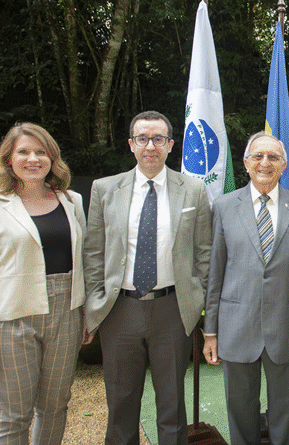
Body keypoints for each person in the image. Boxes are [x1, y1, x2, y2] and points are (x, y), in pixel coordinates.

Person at [83, 110, 211, 445]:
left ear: (170, 144)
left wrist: (200, 302)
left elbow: (204, 252)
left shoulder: (193, 190)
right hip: (119, 311)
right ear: (131, 144)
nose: (150, 146)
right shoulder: (104, 189)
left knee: (172, 403)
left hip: (172, 310)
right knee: (121, 402)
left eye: (158, 139)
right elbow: (93, 251)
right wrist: (94, 303)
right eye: (142, 138)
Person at [0, 122, 89, 444]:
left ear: (52, 158)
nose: (33, 159)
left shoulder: (72, 200)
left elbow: (84, 261)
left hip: (66, 315)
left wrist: (87, 313)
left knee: (55, 407)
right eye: (24, 152)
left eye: (40, 152)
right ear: (8, 159)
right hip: (12, 321)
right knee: (12, 415)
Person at [203, 132, 289, 445]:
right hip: (236, 326)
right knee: (240, 409)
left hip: (286, 326)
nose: (265, 163)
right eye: (258, 156)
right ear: (246, 163)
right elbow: (215, 272)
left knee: (287, 412)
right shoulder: (224, 206)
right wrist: (210, 332)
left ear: (284, 165)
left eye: (273, 157)